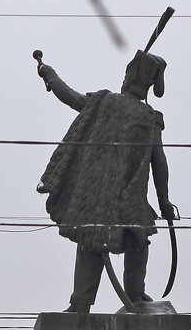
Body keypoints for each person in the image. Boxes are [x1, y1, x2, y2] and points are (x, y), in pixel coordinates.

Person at [36, 48, 179, 314]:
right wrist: (164, 201)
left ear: (126, 79)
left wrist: (50, 74)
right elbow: (159, 162)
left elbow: (71, 97)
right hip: (129, 198)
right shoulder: (149, 117)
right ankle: (134, 295)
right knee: (137, 239)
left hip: (103, 195)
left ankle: (82, 304)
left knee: (93, 241)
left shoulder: (106, 102)